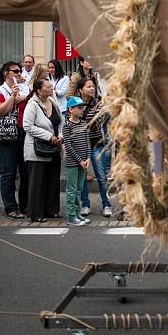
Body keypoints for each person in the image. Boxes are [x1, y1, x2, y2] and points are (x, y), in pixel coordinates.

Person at [22, 78, 62, 222]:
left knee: (53, 179)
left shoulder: (53, 101)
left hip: (54, 146)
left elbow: (60, 120)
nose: (51, 87)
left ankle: (51, 209)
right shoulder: (32, 104)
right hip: (37, 148)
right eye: (48, 86)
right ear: (39, 90)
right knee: (37, 181)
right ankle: (35, 212)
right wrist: (49, 136)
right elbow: (27, 126)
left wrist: (60, 136)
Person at [0, 61, 28, 219]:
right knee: (9, 171)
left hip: (23, 133)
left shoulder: (25, 88)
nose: (19, 73)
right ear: (6, 73)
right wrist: (13, 97)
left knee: (26, 171)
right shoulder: (0, 90)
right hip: (6, 135)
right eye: (15, 71)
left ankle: (25, 205)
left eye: (20, 71)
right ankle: (10, 207)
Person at [76, 77, 112, 217]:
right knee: (82, 176)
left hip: (97, 143)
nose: (92, 88)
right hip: (81, 144)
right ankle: (85, 205)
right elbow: (73, 121)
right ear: (80, 90)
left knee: (101, 176)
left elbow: (97, 123)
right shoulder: (74, 103)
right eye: (88, 86)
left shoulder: (99, 103)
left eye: (93, 86)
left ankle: (106, 205)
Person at [62, 96, 92, 226]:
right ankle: (71, 215)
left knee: (79, 188)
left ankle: (78, 213)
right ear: (70, 109)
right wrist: (80, 160)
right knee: (72, 189)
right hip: (73, 162)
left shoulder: (83, 123)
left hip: (83, 162)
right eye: (79, 108)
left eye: (82, 107)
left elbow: (88, 142)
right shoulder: (67, 125)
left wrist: (88, 157)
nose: (82, 110)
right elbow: (68, 145)